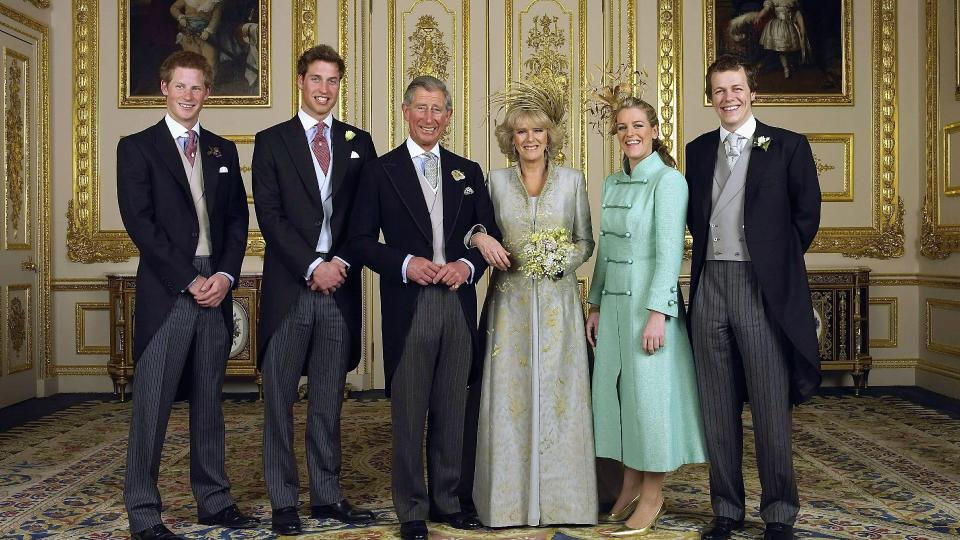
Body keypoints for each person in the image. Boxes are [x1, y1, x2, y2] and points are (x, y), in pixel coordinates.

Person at [349, 75, 501, 540]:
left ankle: (448, 501)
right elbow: (358, 242)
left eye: (438, 110)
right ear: (404, 111)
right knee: (410, 412)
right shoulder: (380, 171)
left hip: (456, 303)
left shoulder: (468, 171)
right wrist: (405, 264)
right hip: (409, 303)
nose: (429, 118)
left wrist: (466, 266)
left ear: (449, 117)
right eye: (421, 108)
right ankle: (412, 509)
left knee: (452, 407)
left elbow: (488, 233)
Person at [117, 50, 255, 540]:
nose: (189, 96)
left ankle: (214, 502)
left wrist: (225, 276)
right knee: (151, 405)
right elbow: (142, 224)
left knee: (208, 403)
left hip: (215, 284)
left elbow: (238, 220)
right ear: (163, 88)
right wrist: (188, 279)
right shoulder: (137, 148)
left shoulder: (222, 150)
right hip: (168, 287)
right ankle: (144, 513)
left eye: (197, 88)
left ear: (207, 94)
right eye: (181, 86)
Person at [685, 54, 821, 540]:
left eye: (736, 89)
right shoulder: (697, 150)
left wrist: (772, 261)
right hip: (709, 288)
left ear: (752, 92)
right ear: (711, 97)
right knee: (717, 405)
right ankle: (725, 508)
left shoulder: (787, 146)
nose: (729, 98)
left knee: (768, 406)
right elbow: (695, 221)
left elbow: (806, 217)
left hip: (760, 289)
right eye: (719, 91)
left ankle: (780, 513)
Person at [252, 44, 377, 536]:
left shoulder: (357, 141)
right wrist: (311, 266)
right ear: (300, 81)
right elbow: (271, 216)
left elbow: (364, 216)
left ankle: (327, 497)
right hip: (291, 289)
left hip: (340, 288)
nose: (324, 89)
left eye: (332, 81)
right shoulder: (272, 140)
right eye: (316, 79)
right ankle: (284, 501)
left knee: (328, 401)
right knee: (278, 401)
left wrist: (339, 262)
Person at [468, 82, 596, 527]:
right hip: (511, 307)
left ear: (550, 135)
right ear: (511, 138)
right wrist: (478, 237)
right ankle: (507, 504)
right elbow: (474, 227)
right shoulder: (496, 181)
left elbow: (586, 241)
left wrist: (566, 258)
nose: (529, 139)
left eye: (537, 131)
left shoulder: (573, 181)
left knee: (562, 398)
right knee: (510, 399)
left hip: (559, 306)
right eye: (521, 132)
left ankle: (566, 503)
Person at [584, 97, 707, 537]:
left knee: (650, 403)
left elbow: (669, 252)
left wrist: (658, 313)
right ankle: (630, 483)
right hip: (613, 308)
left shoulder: (669, 181)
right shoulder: (612, 182)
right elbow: (606, 250)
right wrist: (595, 303)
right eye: (621, 127)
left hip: (649, 309)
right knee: (619, 399)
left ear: (654, 130)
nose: (629, 133)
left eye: (638, 125)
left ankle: (653, 495)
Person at [757, 0, 809, 79]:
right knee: (781, 49)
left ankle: (791, 66)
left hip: (790, 26)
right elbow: (766, 9)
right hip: (778, 27)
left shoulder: (792, 1)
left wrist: (802, 27)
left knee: (791, 48)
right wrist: (759, 16)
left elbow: (798, 14)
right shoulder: (774, 1)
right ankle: (786, 68)